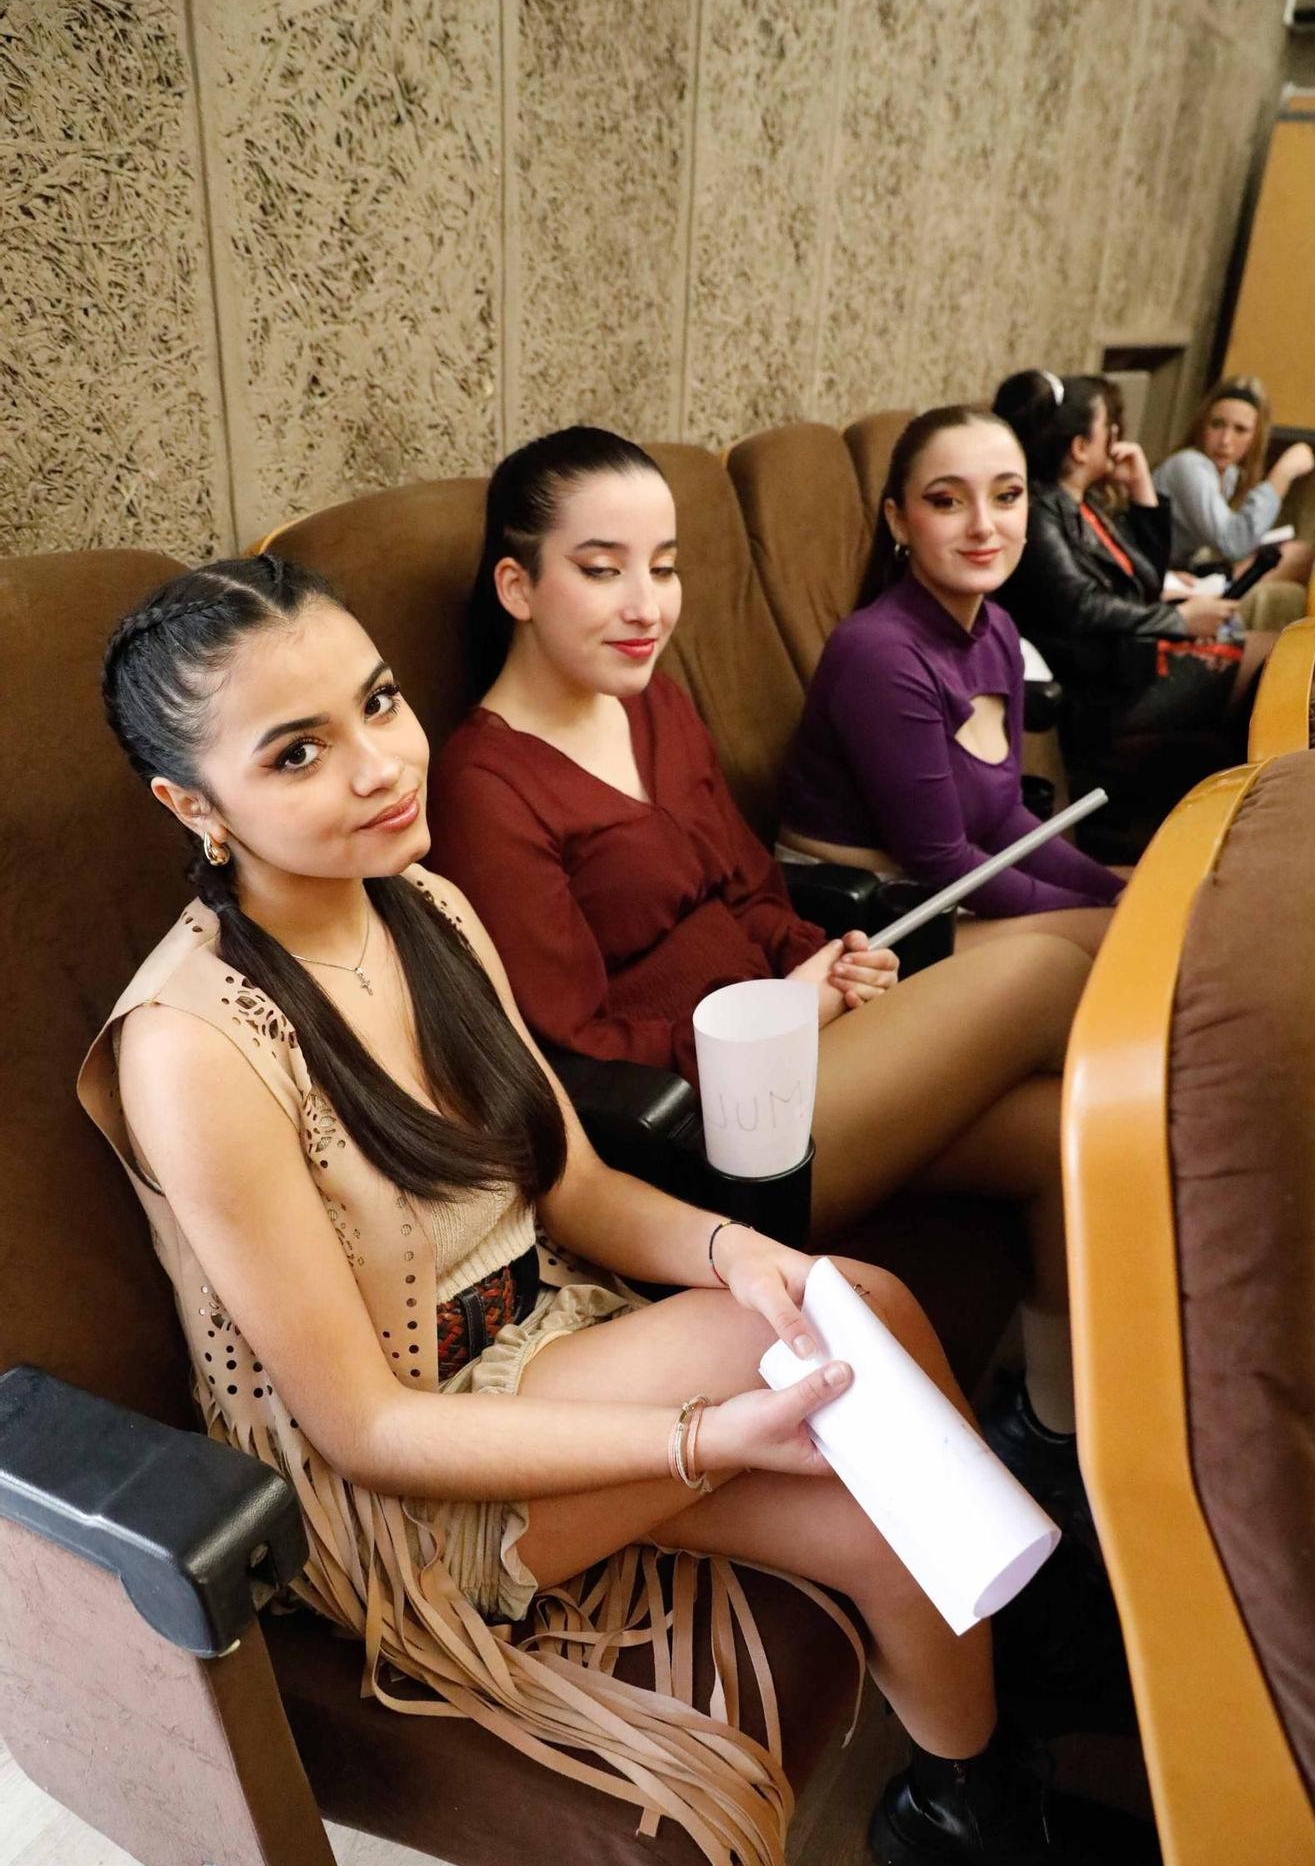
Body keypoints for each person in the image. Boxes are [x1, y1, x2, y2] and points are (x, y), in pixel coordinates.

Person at [80, 554, 1170, 1866]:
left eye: (381, 703)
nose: (378, 767)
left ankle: (971, 1775)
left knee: (844, 1346)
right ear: (192, 805)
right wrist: (703, 1433)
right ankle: (1009, 1714)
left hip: (542, 1342)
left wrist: (731, 1251)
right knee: (857, 1368)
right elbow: (364, 1426)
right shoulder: (191, 1049)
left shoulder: (423, 908)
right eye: (299, 752)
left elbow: (574, 1185)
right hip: (394, 1490)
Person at [429, 427, 1106, 1520]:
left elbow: (748, 886)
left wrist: (814, 958)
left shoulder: (651, 700)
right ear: (517, 583)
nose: (645, 602)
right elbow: (567, 1046)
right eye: (602, 569)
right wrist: (776, 1011)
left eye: (664, 565)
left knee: (1061, 1137)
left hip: (800, 1042)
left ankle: (1062, 1444)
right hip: (702, 1138)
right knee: (1044, 963)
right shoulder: (484, 783)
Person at [780, 406, 1124, 958]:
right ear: (898, 520)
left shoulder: (1000, 632)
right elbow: (938, 859)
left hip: (947, 893)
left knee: (1144, 913)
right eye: (947, 501)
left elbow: (1007, 817)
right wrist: (1091, 911)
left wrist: (1112, 893)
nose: (984, 525)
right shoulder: (880, 654)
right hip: (865, 925)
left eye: (1007, 496)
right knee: (1132, 944)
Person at [994, 371, 1272, 753]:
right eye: (1110, 426)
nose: (1117, 437)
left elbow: (1147, 581)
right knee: (1277, 665)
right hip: (1106, 688)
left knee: (1285, 653)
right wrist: (1180, 620)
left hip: (1134, 657)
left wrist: (1142, 490)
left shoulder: (1087, 503)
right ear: (1079, 447)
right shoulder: (1041, 513)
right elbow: (1081, 605)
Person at [1153, 375, 1315, 584]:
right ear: (1202, 426)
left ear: (1255, 437)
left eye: (1240, 430)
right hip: (1155, 575)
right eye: (1217, 425)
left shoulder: (1230, 474)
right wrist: (1283, 473)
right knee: (1293, 559)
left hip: (1183, 571)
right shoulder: (1188, 465)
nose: (1225, 440)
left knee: (1299, 554)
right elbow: (1234, 542)